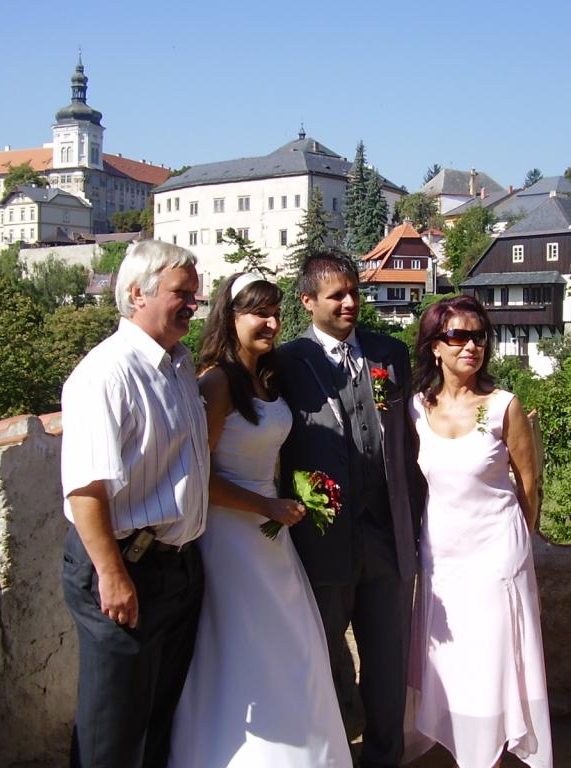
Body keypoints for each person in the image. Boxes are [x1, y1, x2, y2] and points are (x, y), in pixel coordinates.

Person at [167, 272, 351, 768]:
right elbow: (197, 478)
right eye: (258, 314)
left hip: (270, 537)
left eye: (274, 313)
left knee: (291, 646)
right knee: (248, 649)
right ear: (230, 317)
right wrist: (266, 506)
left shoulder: (264, 378)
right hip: (229, 538)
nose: (271, 323)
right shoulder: (217, 382)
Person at [59, 240, 209, 768]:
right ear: (137, 293)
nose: (193, 303)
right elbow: (85, 490)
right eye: (181, 293)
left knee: (158, 725)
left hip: (175, 567)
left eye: (194, 293)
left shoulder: (178, 364)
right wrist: (112, 575)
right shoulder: (107, 373)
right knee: (113, 738)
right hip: (124, 568)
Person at [276, 253, 424, 768]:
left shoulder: (390, 352)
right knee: (320, 658)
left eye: (354, 292)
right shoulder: (288, 362)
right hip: (320, 540)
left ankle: (385, 757)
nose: (349, 303)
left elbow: (410, 439)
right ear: (307, 301)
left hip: (386, 533)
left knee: (387, 660)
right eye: (336, 295)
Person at [407, 295, 552, 768]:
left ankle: (487, 754)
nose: (472, 346)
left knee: (490, 656)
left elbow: (528, 482)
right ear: (435, 346)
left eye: (479, 337)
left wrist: (519, 544)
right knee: (453, 658)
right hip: (442, 555)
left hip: (495, 554)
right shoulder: (415, 409)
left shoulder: (503, 406)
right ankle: (459, 742)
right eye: (459, 336)